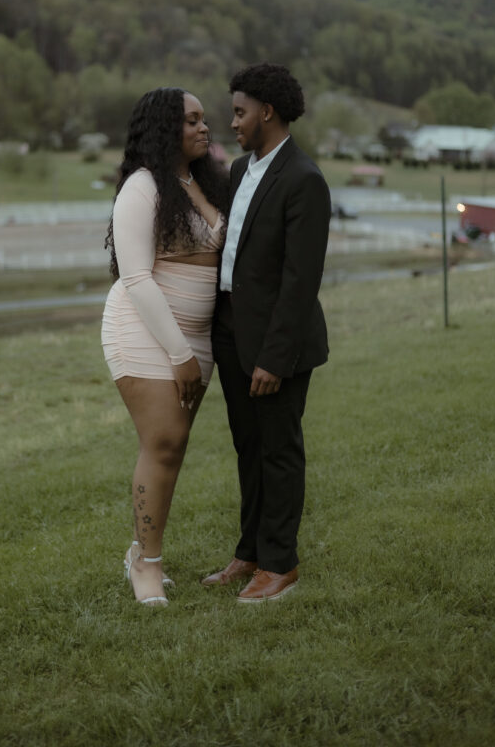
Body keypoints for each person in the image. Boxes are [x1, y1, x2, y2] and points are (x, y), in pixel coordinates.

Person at [203, 63, 331, 603]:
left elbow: (300, 283)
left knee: (278, 450)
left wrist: (274, 358)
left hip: (278, 343)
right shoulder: (239, 170)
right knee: (248, 447)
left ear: (267, 112)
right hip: (230, 330)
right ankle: (250, 551)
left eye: (239, 112)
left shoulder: (304, 180)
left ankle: (280, 565)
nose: (232, 122)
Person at [102, 87, 228, 606]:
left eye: (204, 120)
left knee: (171, 451)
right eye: (191, 121)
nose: (204, 128)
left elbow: (222, 243)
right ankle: (147, 566)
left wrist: (193, 350)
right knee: (163, 445)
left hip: (197, 338)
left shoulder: (197, 182)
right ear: (163, 130)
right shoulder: (142, 187)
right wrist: (178, 355)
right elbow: (136, 277)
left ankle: (141, 551)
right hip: (147, 332)